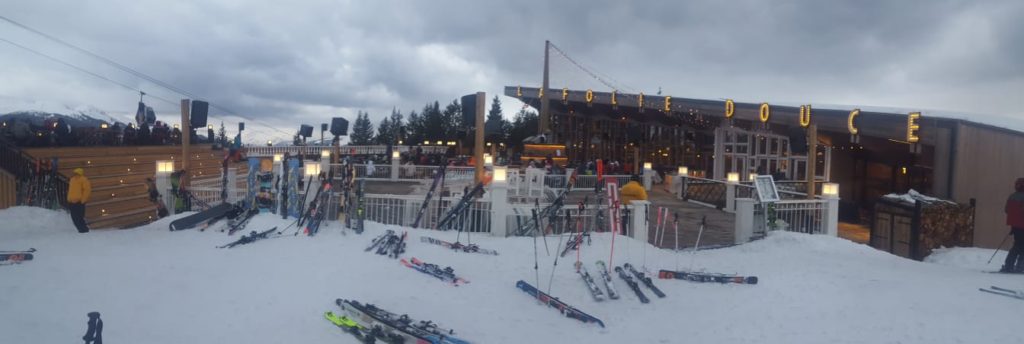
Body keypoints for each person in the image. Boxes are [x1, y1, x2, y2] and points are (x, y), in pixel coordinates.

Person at [1002, 178, 1024, 272]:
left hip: (1015, 226)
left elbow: (1006, 210)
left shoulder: (1012, 196)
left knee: (1017, 245)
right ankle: (1019, 266)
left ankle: (1009, 265)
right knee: (1020, 246)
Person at [67, 168, 92, 233]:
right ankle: (82, 230)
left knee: (79, 217)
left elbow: (87, 190)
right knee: (74, 217)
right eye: (74, 173)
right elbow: (71, 190)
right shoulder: (72, 179)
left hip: (79, 202)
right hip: (71, 202)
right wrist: (69, 199)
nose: (75, 174)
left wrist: (83, 200)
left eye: (76, 173)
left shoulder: (84, 180)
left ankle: (84, 230)